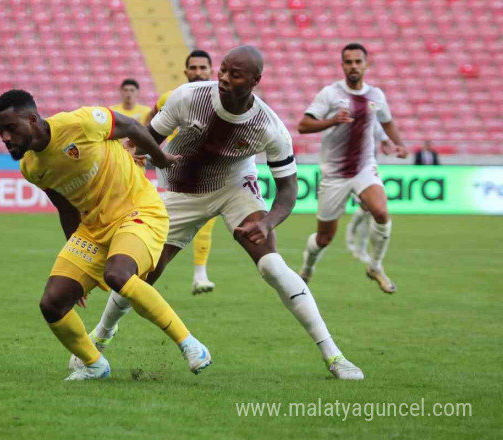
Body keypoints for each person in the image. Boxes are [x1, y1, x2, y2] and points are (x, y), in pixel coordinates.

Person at [80, 46, 364, 380]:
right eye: (224, 70)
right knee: (142, 275)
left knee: (272, 265)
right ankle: (100, 336)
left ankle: (333, 355)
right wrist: (138, 156)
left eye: (236, 74)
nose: (225, 78)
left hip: (234, 188)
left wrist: (269, 221)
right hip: (180, 193)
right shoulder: (187, 97)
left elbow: (288, 190)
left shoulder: (270, 127)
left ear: (256, 81)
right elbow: (148, 138)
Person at [0, 89, 212, 381]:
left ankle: (190, 344)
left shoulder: (81, 123)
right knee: (53, 302)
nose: (5, 137)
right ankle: (95, 364)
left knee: (118, 274)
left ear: (32, 119)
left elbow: (132, 126)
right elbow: (66, 208)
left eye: (10, 128)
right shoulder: (31, 168)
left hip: (139, 211)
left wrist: (159, 158)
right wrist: (79, 268)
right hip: (94, 230)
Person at [296, 43, 408, 294]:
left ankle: (375, 266)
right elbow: (303, 125)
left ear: (366, 64)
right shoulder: (330, 94)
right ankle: (306, 269)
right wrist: (331, 121)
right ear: (342, 65)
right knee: (324, 238)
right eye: (349, 62)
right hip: (334, 175)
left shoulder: (376, 95)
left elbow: (386, 122)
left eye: (358, 61)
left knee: (380, 212)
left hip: (364, 168)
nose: (354, 66)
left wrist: (398, 145)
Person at [145, 49, 219, 295]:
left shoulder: (222, 99)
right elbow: (150, 122)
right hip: (178, 172)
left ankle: (200, 275)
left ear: (211, 70)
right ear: (186, 71)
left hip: (211, 173)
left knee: (205, 224)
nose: (198, 73)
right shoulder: (171, 97)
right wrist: (146, 151)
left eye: (202, 68)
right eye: (193, 68)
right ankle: (140, 271)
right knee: (165, 226)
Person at [345, 120, 391, 263]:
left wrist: (387, 144)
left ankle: (354, 234)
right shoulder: (350, 122)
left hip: (369, 170)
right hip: (354, 170)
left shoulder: (374, 122)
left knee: (368, 209)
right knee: (367, 209)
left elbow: (385, 139)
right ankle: (360, 247)